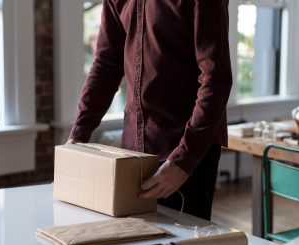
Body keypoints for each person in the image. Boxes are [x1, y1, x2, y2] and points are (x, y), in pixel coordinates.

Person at [68, 0, 232, 221]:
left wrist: (183, 161)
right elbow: (106, 64)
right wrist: (78, 135)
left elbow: (215, 79)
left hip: (188, 150)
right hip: (133, 152)